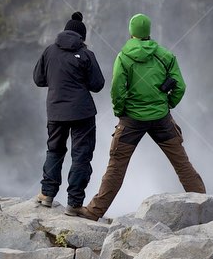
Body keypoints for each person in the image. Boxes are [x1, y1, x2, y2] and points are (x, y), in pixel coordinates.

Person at [77, 13, 205, 221]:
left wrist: (121, 111)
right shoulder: (165, 55)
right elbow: (180, 86)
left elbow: (117, 89)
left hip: (132, 120)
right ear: (148, 32)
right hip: (162, 118)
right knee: (182, 163)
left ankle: (94, 211)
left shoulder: (123, 57)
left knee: (116, 166)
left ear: (131, 32)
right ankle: (204, 204)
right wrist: (167, 103)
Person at [31, 11, 105, 213]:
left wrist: (56, 81)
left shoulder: (49, 51)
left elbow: (38, 79)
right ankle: (74, 204)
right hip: (83, 113)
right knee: (81, 155)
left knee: (54, 150)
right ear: (82, 37)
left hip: (55, 111)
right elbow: (98, 84)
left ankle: (47, 194)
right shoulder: (86, 54)